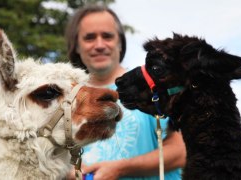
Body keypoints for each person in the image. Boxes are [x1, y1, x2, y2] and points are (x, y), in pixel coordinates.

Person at [65, 4, 186, 180]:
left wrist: (121, 169)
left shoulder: (155, 86)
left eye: (107, 36)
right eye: (89, 38)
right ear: (76, 46)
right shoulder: (65, 98)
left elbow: (182, 150)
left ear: (120, 42)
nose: (99, 45)